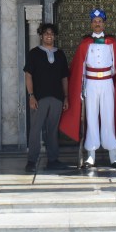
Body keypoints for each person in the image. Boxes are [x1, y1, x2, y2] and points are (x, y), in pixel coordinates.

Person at [59, 8, 116, 168]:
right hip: (91, 84)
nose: (97, 24)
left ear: (104, 23)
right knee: (91, 118)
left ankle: (113, 156)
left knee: (109, 117)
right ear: (91, 24)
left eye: (100, 21)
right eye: (94, 22)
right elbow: (80, 67)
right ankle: (90, 156)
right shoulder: (85, 43)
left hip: (107, 83)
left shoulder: (112, 43)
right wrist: (81, 89)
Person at [23, 23, 70, 172]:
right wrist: (31, 96)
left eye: (51, 33)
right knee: (35, 129)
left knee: (53, 130)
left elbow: (64, 78)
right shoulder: (34, 53)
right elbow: (28, 75)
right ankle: (32, 161)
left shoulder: (60, 54)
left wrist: (66, 97)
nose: (49, 36)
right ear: (41, 36)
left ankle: (53, 160)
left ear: (54, 36)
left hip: (57, 98)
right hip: (39, 98)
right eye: (46, 33)